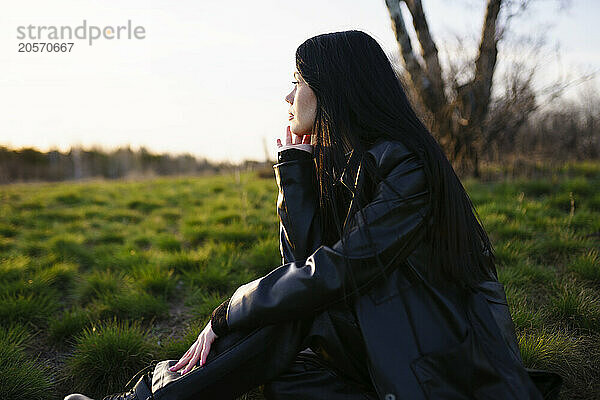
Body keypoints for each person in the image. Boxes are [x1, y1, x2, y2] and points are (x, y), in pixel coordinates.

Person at [65, 30, 562, 400]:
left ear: (334, 90)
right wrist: (297, 170)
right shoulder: (346, 160)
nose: (288, 96)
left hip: (443, 367)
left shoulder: (407, 165)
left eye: (297, 82)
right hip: (383, 345)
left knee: (285, 316)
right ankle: (157, 389)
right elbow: (306, 262)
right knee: (283, 368)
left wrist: (229, 311)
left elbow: (332, 273)